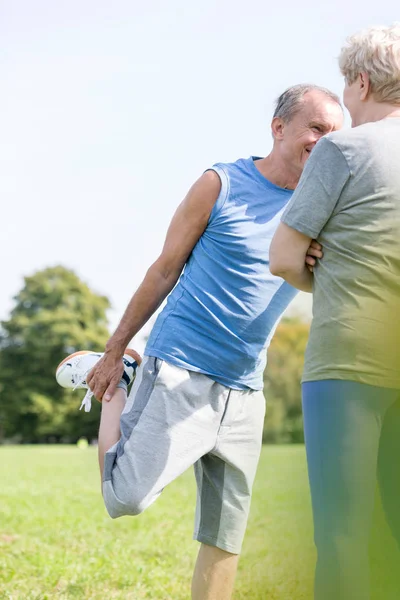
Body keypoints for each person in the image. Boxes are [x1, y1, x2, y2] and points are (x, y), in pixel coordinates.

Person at [58, 84, 343, 600]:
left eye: (335, 134)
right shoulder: (221, 183)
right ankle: (119, 380)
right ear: (279, 128)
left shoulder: (319, 207)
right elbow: (164, 269)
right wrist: (114, 348)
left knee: (224, 537)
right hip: (181, 368)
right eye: (316, 129)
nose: (326, 142)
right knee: (125, 499)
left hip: (246, 390)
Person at [270, 24, 400, 600]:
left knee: (344, 536)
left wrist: (316, 265)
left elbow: (282, 258)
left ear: (362, 82)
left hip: (350, 363)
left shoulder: (343, 149)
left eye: (347, 87)